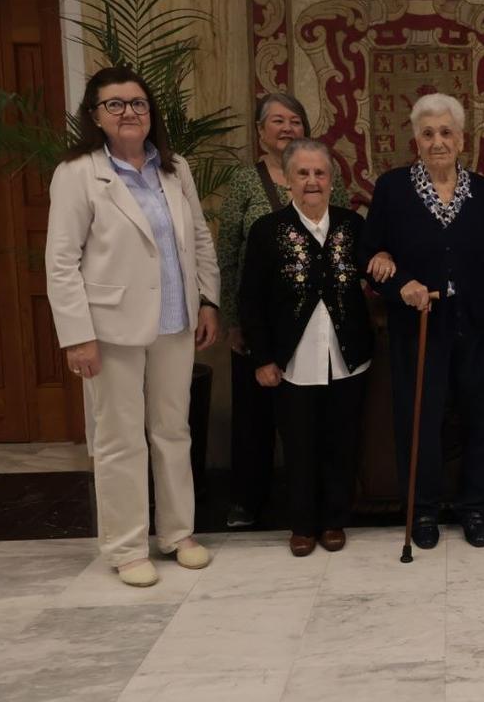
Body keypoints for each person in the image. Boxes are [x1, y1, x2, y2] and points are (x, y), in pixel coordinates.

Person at [45, 65, 219, 587]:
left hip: (175, 322)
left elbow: (200, 241)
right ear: (96, 116)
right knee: (119, 437)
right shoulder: (78, 174)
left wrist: (208, 302)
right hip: (110, 328)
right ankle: (125, 546)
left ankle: (177, 533)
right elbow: (60, 261)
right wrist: (77, 335)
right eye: (115, 104)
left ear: (151, 113)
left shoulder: (174, 168)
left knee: (172, 431)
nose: (128, 113)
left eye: (138, 103)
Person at [361, 93, 484, 550]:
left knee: (483, 416)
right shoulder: (393, 189)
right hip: (418, 326)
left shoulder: (482, 192)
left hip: (474, 323)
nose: (438, 141)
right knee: (420, 419)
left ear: (462, 139)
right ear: (415, 140)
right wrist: (398, 282)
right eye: (428, 133)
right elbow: (370, 253)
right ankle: (423, 510)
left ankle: (475, 508)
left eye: (446, 132)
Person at [238, 139, 373, 556]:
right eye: (303, 173)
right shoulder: (267, 230)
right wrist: (262, 358)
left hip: (347, 356)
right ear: (289, 182)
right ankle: (301, 525)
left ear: (332, 181)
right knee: (299, 444)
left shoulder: (353, 226)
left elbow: (379, 270)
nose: (312, 181)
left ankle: (335, 521)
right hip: (292, 360)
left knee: (341, 442)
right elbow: (251, 300)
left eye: (320, 173)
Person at [217, 92, 308, 529]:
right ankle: (246, 501)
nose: (287, 128)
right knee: (253, 415)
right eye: (277, 121)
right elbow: (228, 252)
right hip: (257, 321)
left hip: (312, 322)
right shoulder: (244, 182)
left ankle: (305, 499)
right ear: (259, 132)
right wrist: (233, 320)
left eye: (295, 120)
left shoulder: (320, 172)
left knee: (304, 414)